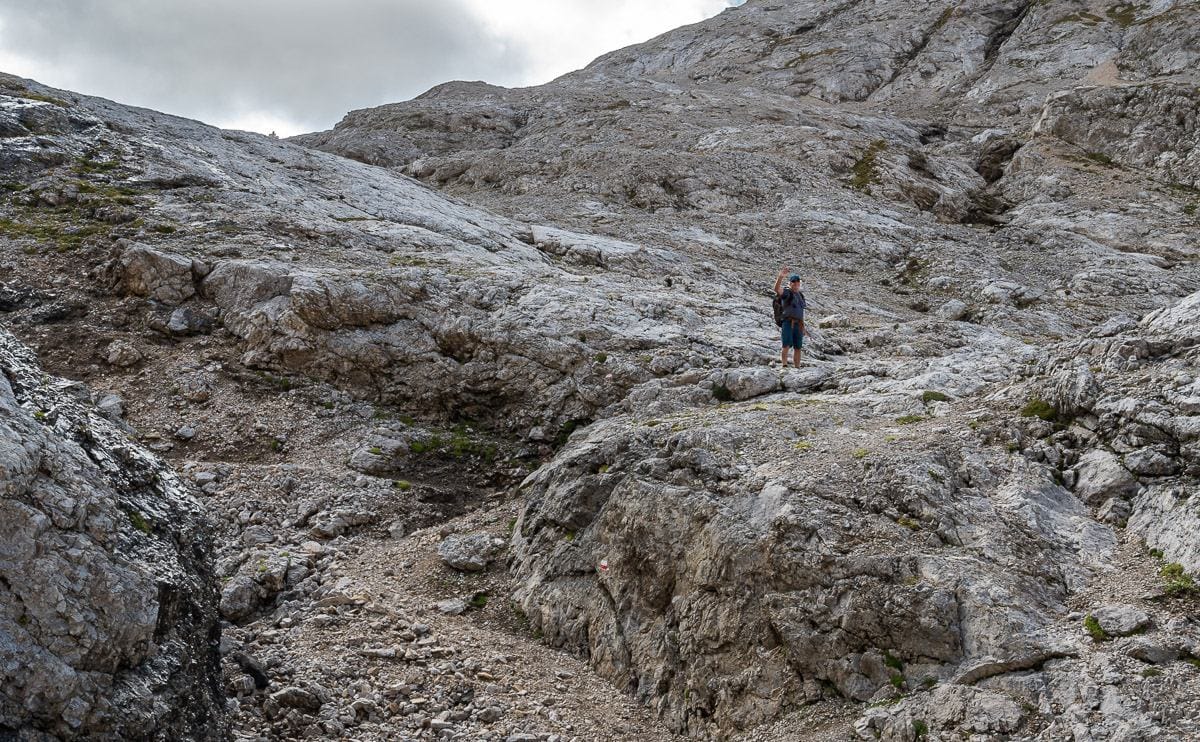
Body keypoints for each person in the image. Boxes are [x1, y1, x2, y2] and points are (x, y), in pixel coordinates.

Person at [774, 267, 810, 367]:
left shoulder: (800, 296)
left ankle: (797, 367)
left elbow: (800, 311)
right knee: (786, 344)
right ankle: (784, 365)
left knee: (798, 347)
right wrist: (780, 277)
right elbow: (776, 289)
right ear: (790, 284)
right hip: (788, 322)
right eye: (793, 283)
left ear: (800, 284)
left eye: (797, 283)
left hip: (799, 324)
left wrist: (803, 327)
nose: (796, 284)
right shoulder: (787, 292)